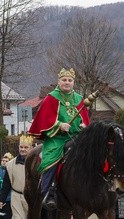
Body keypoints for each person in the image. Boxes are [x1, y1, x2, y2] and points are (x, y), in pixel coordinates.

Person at [27, 68, 90, 210]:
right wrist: (59, 125)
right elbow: (44, 120)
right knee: (52, 160)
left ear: (74, 82)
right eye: (64, 80)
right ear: (59, 81)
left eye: (70, 80)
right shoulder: (51, 98)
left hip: (77, 137)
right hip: (57, 139)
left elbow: (86, 118)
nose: (67, 83)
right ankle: (49, 191)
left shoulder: (79, 99)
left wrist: (84, 125)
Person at [0, 135, 33, 219]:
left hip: (32, 197)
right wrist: (1, 199)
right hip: (16, 195)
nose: (23, 149)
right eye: (21, 147)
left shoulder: (36, 162)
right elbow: (6, 183)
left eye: (26, 147)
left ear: (31, 148)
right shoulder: (10, 165)